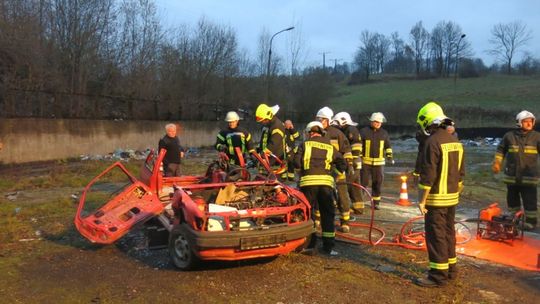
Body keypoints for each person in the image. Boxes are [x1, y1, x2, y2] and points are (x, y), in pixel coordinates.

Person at [415, 102, 465, 287]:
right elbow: (461, 174)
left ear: (428, 122)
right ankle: (451, 270)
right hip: (452, 198)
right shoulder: (455, 141)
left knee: (436, 236)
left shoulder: (432, 142)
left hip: (436, 199)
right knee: (448, 233)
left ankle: (437, 276)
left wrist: (422, 200)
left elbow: (428, 176)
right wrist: (455, 192)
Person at [294, 121, 346, 255]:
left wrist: (301, 172)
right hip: (326, 186)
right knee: (327, 215)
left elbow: (295, 162)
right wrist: (335, 176)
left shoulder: (304, 145)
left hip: (308, 185)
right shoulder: (329, 147)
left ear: (310, 132)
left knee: (308, 214)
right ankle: (328, 247)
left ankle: (309, 244)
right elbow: (342, 163)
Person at [492, 110, 540, 230]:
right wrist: (497, 162)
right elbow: (501, 150)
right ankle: (514, 219)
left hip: (529, 177)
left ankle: (530, 223)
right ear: (519, 122)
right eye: (526, 121)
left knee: (530, 202)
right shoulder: (509, 136)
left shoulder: (537, 137)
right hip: (511, 177)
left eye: (531, 121)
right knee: (512, 201)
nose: (529, 124)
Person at [316, 106, 353, 233]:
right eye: (318, 119)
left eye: (321, 119)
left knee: (342, 196)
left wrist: (349, 165)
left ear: (327, 120)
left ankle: (345, 221)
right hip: (323, 170)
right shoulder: (315, 133)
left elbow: (347, 150)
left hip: (337, 170)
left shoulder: (337, 134)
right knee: (321, 195)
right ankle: (317, 219)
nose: (319, 121)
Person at [332, 112, 366, 215]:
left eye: (337, 122)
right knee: (355, 186)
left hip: (353, 163)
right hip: (355, 163)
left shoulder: (351, 130)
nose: (336, 124)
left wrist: (351, 163)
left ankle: (344, 206)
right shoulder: (347, 130)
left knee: (346, 185)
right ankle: (359, 207)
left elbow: (356, 147)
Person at [359, 112, 393, 210]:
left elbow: (388, 146)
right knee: (363, 182)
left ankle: (376, 202)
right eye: (376, 122)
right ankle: (359, 201)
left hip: (379, 163)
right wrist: (359, 156)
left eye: (379, 122)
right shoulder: (364, 132)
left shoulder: (384, 133)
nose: (378, 124)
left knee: (377, 183)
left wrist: (389, 155)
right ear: (371, 121)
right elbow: (359, 145)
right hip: (366, 162)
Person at [255, 104, 287, 175]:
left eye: (263, 120)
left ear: (268, 117)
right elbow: (264, 140)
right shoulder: (268, 125)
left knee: (272, 183)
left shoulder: (277, 126)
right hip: (267, 160)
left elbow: (274, 144)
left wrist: (262, 154)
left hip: (274, 162)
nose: (262, 122)